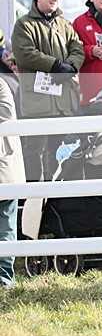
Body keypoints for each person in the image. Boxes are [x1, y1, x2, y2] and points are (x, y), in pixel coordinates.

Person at [12, 0, 85, 181]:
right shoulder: (24, 25)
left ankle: (57, 198)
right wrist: (56, 66)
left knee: (60, 149)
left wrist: (70, 67)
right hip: (36, 103)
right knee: (33, 149)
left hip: (63, 103)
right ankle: (33, 195)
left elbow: (77, 48)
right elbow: (26, 53)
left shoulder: (64, 24)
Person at [0, 77, 25, 286]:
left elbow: (6, 119)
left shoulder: (1, 84)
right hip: (6, 169)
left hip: (4, 169)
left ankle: (3, 280)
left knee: (6, 227)